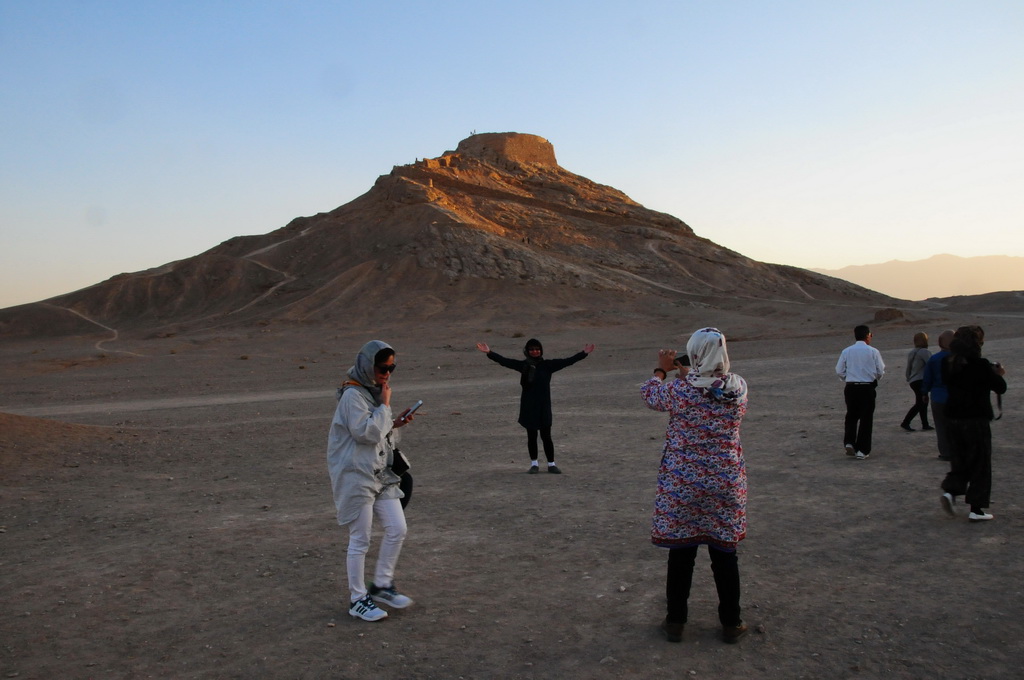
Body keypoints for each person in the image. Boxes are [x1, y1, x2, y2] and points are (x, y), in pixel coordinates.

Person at [641, 327, 749, 644]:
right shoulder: (738, 387)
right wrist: (687, 372)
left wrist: (662, 368)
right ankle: (732, 622)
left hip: (682, 483)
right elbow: (708, 386)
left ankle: (676, 621)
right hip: (725, 481)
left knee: (681, 552)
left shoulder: (681, 392)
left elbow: (649, 394)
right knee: (724, 555)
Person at [327, 340, 418, 622]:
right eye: (382, 367)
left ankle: (381, 584)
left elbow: (378, 434)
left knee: (396, 528)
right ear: (368, 365)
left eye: (392, 368)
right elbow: (365, 434)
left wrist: (394, 422)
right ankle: (357, 599)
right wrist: (386, 407)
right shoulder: (353, 396)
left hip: (380, 475)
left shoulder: (372, 394)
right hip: (357, 476)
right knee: (360, 539)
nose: (387, 373)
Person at [476, 338, 594, 473]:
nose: (535, 351)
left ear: (541, 350)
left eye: (537, 349)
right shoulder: (523, 366)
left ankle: (551, 464)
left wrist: (583, 353)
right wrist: (489, 352)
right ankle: (534, 464)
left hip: (543, 406)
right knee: (531, 436)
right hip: (529, 406)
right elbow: (505, 361)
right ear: (527, 351)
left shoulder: (548, 365)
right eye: (531, 349)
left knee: (546, 436)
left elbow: (568, 361)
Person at [939, 326, 1007, 522]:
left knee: (959, 460)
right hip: (976, 419)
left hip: (952, 418)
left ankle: (950, 492)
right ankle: (976, 509)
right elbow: (1000, 388)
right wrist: (998, 373)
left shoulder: (948, 363)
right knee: (980, 463)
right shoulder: (980, 364)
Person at [836, 325, 885, 459]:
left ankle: (849, 442)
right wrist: (874, 377)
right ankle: (862, 450)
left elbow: (839, 370)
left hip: (851, 387)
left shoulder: (847, 351)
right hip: (867, 387)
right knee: (866, 418)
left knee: (851, 415)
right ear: (867, 335)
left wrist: (849, 378)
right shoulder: (873, 351)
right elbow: (880, 370)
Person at [921, 330, 955, 460]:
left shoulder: (934, 359)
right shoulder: (960, 358)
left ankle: (945, 452)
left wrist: (924, 393)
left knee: (941, 426)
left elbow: (927, 378)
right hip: (955, 397)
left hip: (938, 396)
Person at [900, 332, 933, 431]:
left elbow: (908, 368)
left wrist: (909, 378)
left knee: (923, 401)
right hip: (921, 380)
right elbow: (931, 364)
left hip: (913, 380)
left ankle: (925, 424)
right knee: (920, 403)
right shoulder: (925, 352)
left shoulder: (912, 352)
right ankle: (906, 422)